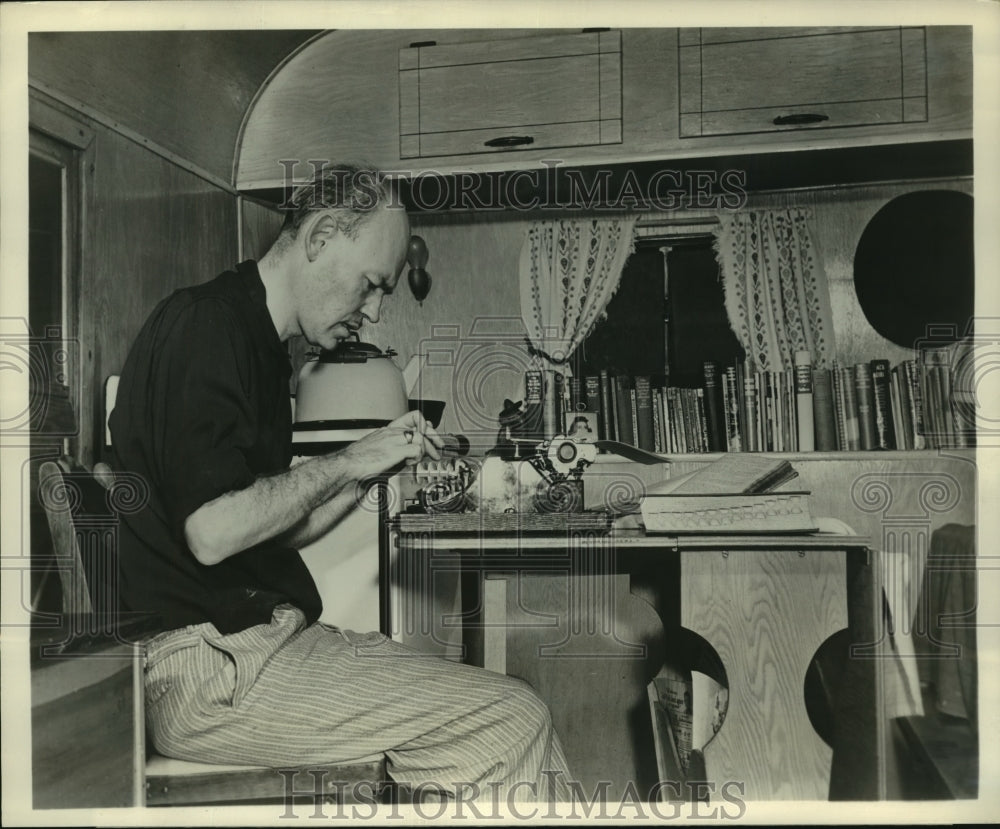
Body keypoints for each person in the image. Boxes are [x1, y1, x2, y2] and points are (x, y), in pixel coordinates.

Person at [109, 166, 571, 803]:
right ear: (323, 235)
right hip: (212, 672)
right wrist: (350, 459)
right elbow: (212, 534)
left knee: (503, 706)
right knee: (507, 717)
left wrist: (368, 473)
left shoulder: (260, 341)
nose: (375, 311)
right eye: (372, 286)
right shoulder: (207, 325)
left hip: (252, 647)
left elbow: (272, 526)